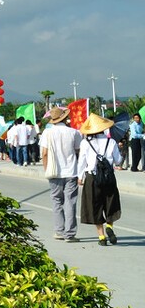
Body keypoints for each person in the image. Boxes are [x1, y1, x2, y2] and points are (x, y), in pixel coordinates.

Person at [77, 114, 122, 246]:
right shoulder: (111, 141)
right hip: (109, 177)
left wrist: (80, 177)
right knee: (110, 202)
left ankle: (101, 237)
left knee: (95, 205)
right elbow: (118, 160)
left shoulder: (85, 143)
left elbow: (82, 162)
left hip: (92, 177)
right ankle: (110, 226)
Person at [40, 105, 83, 242]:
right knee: (70, 202)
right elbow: (78, 151)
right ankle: (70, 234)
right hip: (71, 171)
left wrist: (46, 169)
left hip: (54, 171)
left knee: (57, 201)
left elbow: (45, 153)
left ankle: (59, 231)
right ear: (65, 118)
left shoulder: (47, 133)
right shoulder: (74, 132)